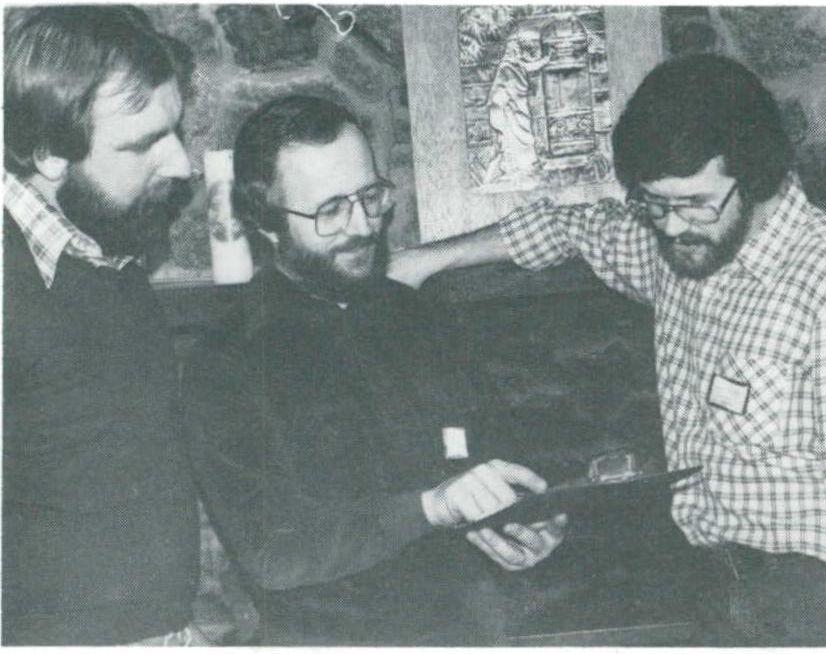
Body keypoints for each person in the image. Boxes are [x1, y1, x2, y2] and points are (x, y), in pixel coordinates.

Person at [389, 54, 826, 647]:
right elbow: (573, 227)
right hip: (713, 580)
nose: (673, 227)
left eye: (695, 203)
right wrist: (423, 261)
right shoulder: (680, 249)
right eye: (655, 204)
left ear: (757, 179)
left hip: (814, 601)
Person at [180, 95, 567, 645]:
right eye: (331, 211)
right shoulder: (226, 362)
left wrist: (528, 519)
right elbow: (274, 553)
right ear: (265, 222)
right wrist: (433, 507)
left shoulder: (421, 316)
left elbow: (492, 454)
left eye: (370, 197)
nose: (363, 225)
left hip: (473, 630)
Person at [2, 6, 204, 645]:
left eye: (175, 131)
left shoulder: (102, 245)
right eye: (143, 144)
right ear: (48, 153)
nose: (182, 165)